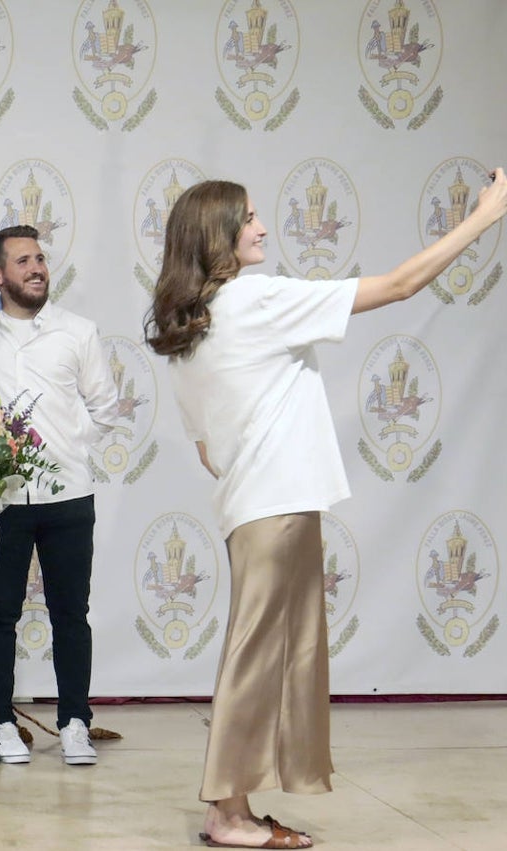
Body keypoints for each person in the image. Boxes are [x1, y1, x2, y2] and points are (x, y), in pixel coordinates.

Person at [143, 171, 507, 849]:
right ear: (219, 232)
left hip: (256, 506)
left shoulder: (190, 326)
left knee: (268, 651)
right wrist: (486, 217)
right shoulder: (254, 300)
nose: (262, 228)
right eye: (250, 217)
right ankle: (226, 812)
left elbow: (205, 450)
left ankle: (237, 803)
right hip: (277, 506)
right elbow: (399, 284)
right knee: (258, 656)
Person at [0, 224, 118, 767]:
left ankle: (76, 722)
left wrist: (66, 447)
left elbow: (105, 408)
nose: (37, 269)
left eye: (41, 259)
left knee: (71, 612)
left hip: (69, 495)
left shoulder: (78, 331)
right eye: (23, 261)